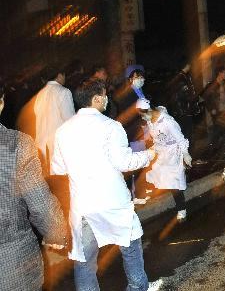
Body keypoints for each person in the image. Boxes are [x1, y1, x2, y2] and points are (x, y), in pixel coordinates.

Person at [52, 79, 163, 291]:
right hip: (113, 202)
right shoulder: (111, 126)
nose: (106, 99)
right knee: (130, 247)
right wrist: (149, 154)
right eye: (104, 95)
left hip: (83, 206)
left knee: (85, 261)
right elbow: (124, 162)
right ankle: (138, 287)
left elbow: (58, 170)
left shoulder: (62, 131)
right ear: (97, 99)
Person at [0, 79, 69, 291]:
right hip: (12, 266)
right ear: (1, 103)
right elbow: (40, 202)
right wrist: (57, 233)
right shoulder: (15, 144)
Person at [137, 99, 193, 222]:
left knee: (174, 183)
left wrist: (185, 153)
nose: (143, 118)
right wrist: (153, 148)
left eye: (143, 115)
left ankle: (181, 209)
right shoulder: (151, 120)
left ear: (150, 110)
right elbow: (156, 138)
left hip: (174, 154)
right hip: (162, 153)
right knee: (154, 174)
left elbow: (180, 138)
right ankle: (146, 196)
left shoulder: (167, 122)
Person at [114, 65, 151, 204]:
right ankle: (136, 195)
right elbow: (129, 114)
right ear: (130, 79)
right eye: (137, 77)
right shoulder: (127, 94)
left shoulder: (140, 92)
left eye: (141, 77)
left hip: (142, 131)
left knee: (142, 160)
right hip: (133, 132)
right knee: (135, 163)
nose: (140, 79)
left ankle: (141, 189)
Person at [34, 65, 76, 175]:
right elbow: (69, 120)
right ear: (59, 75)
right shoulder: (63, 92)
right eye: (64, 75)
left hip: (43, 148)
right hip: (59, 148)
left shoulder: (39, 95)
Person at [167, 59, 203, 153]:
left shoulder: (176, 77)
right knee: (187, 135)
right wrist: (196, 99)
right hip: (185, 111)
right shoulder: (182, 78)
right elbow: (187, 95)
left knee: (182, 134)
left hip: (179, 112)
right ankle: (188, 157)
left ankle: (184, 156)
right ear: (186, 65)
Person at [201, 66, 225, 148]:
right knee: (218, 129)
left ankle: (222, 146)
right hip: (217, 111)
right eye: (224, 72)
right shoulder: (212, 85)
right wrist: (211, 109)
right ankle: (214, 146)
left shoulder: (224, 83)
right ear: (220, 73)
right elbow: (205, 98)